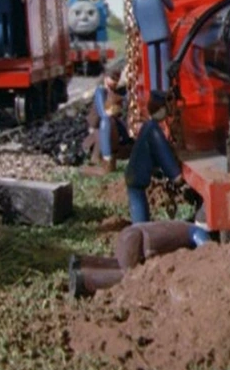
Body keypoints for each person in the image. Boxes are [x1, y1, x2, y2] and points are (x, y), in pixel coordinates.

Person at [68, 219, 211, 298]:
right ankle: (84, 280)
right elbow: (208, 251)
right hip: (139, 240)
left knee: (118, 263)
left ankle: (82, 264)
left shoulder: (179, 224)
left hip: (129, 233)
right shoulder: (195, 232)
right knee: (129, 276)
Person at [125, 90, 183, 223]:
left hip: (134, 174)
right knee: (139, 208)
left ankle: (141, 227)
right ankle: (140, 229)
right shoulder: (154, 131)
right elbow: (163, 153)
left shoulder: (148, 126)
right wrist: (175, 175)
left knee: (138, 203)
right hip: (138, 177)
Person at [130, 0, 174, 92]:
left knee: (152, 64)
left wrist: (141, 30)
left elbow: (137, 19)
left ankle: (155, 89)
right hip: (162, 34)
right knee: (164, 61)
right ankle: (165, 88)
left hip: (148, 36)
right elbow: (171, 7)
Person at [82, 68, 129, 176]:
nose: (115, 82)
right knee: (106, 122)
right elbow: (102, 112)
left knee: (111, 125)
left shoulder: (113, 93)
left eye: (117, 79)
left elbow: (117, 120)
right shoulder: (100, 91)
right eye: (113, 78)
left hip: (110, 126)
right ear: (106, 78)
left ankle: (109, 160)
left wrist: (126, 137)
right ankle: (105, 159)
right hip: (99, 127)